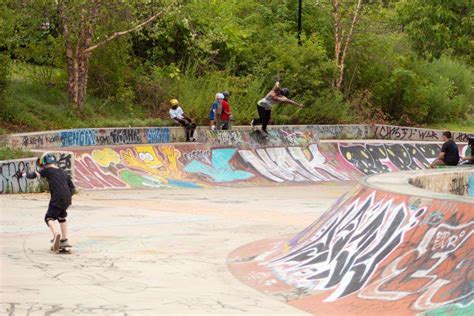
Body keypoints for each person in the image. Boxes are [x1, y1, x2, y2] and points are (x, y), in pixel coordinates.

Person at [16, 153, 75, 251]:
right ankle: (64, 240)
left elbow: (34, 175)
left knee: (48, 217)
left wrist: (22, 174)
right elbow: (72, 189)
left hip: (57, 197)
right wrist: (66, 198)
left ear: (45, 163)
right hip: (67, 198)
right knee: (62, 217)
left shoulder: (47, 170)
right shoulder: (63, 172)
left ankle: (56, 234)